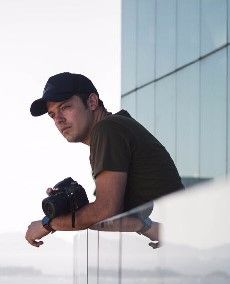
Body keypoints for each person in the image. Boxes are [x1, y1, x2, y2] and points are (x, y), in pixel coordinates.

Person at [24, 72, 184, 248]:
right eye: (52, 114)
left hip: (187, 242)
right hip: (185, 239)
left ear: (92, 102)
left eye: (65, 107)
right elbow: (110, 217)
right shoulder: (116, 127)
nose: (59, 120)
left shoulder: (107, 130)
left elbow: (104, 212)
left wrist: (47, 224)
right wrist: (72, 207)